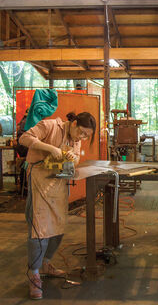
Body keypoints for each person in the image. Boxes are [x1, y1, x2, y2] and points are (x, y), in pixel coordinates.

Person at [19, 112, 96, 300]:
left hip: (59, 184)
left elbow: (76, 158)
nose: (82, 138)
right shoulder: (50, 126)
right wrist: (50, 149)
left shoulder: (76, 139)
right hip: (39, 179)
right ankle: (34, 274)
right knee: (40, 229)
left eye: (87, 136)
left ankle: (46, 263)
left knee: (58, 227)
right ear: (74, 123)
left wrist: (72, 156)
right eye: (82, 133)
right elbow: (24, 138)